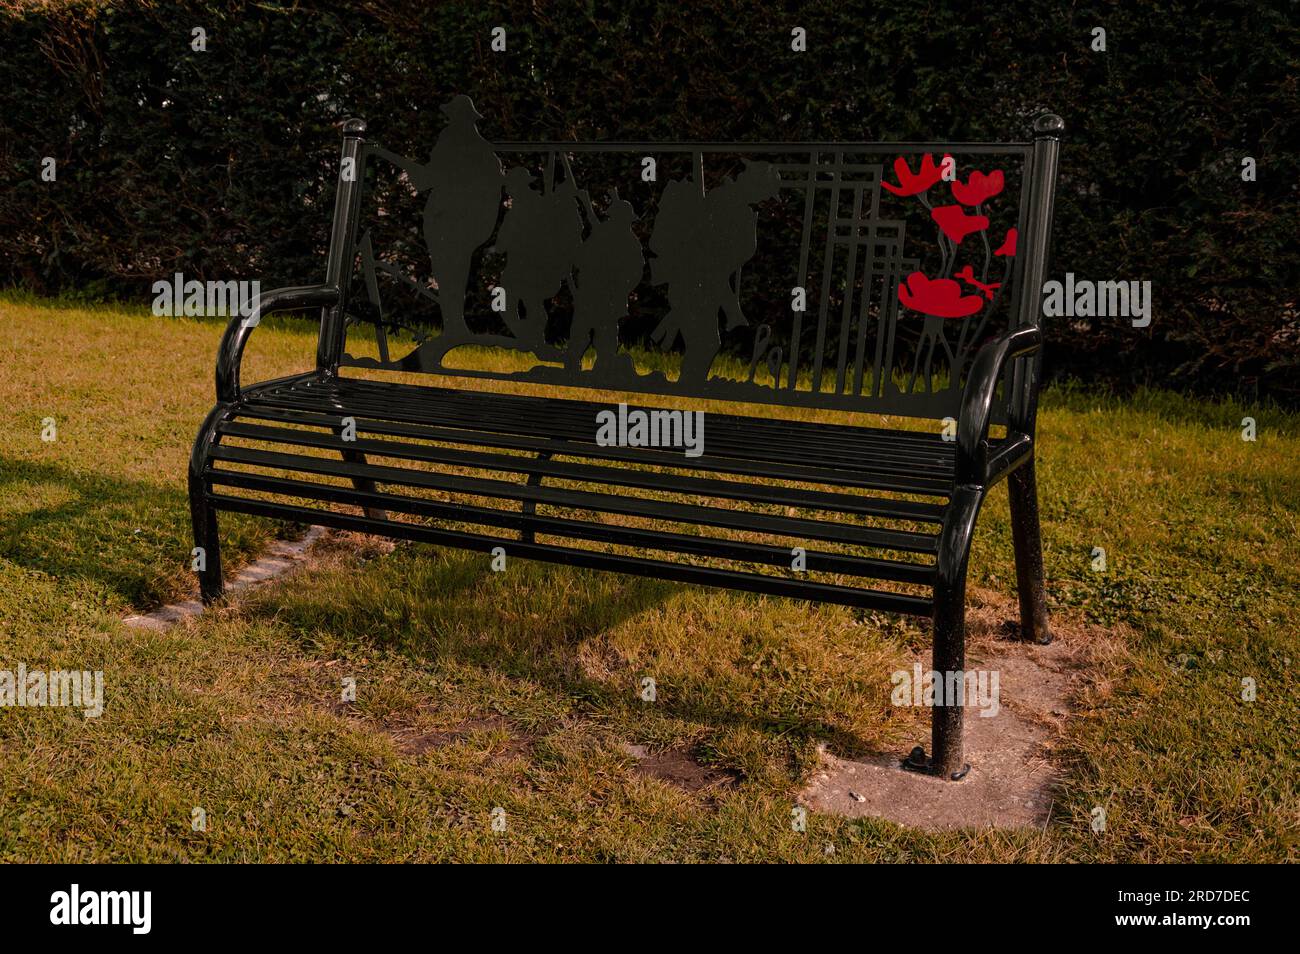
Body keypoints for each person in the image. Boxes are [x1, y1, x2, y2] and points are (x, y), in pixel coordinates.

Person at [567, 191, 643, 374]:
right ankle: (574, 367)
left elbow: (635, 273)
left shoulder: (628, 243)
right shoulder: (618, 238)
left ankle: (600, 369)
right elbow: (581, 258)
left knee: (603, 335)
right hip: (594, 294)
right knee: (585, 333)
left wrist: (619, 287)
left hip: (605, 297)